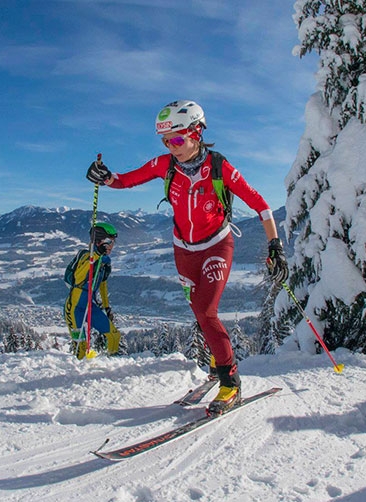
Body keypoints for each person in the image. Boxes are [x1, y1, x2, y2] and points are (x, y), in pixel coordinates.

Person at [85, 100, 288, 415]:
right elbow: (125, 180)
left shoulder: (220, 168)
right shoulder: (164, 165)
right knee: (198, 311)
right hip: (183, 249)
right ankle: (215, 361)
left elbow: (261, 205)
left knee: (207, 311)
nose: (171, 147)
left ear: (197, 132)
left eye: (177, 139)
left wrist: (274, 244)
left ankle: (230, 382)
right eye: (166, 141)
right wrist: (105, 176)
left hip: (217, 245)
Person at [63, 222, 122, 360]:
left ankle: (111, 364)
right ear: (100, 242)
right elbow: (78, 278)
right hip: (74, 308)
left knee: (114, 335)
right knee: (81, 348)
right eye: (110, 242)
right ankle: (77, 374)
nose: (112, 246)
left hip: (90, 306)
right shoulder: (86, 256)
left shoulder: (105, 261)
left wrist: (107, 307)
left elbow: (102, 285)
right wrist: (95, 256)